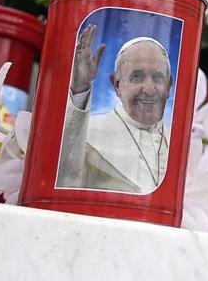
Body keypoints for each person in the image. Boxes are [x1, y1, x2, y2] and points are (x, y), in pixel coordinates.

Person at [57, 21, 173, 192]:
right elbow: (65, 182)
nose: (149, 90)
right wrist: (80, 88)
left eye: (158, 78)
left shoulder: (179, 141)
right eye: (137, 77)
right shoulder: (89, 132)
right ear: (117, 84)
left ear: (168, 86)